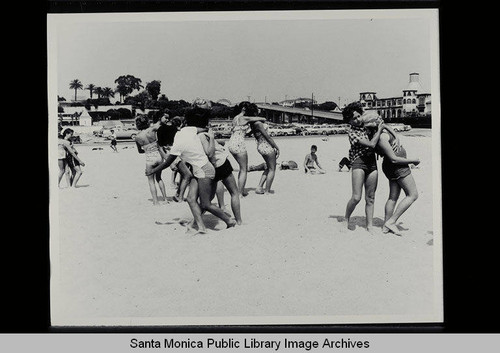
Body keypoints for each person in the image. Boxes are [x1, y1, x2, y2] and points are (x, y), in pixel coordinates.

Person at [147, 100, 236, 233]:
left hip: (205, 170)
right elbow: (202, 129)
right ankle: (201, 227)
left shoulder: (177, 145)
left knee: (206, 204)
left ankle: (229, 221)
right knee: (190, 199)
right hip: (199, 170)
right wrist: (210, 133)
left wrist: (152, 171)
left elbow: (166, 163)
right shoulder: (186, 130)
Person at [341, 102, 387, 234]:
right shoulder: (352, 132)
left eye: (358, 116)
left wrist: (395, 137)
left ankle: (369, 226)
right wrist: (379, 130)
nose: (357, 120)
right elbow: (371, 144)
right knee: (356, 197)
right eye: (353, 118)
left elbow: (384, 125)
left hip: (372, 163)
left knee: (371, 197)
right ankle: (346, 218)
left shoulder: (368, 124)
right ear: (349, 121)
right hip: (358, 162)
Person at [376, 129, 420, 235]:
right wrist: (413, 160)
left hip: (392, 167)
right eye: (377, 119)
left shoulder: (380, 133)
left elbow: (386, 126)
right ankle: (391, 221)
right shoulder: (382, 137)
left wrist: (395, 136)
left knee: (393, 197)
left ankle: (386, 226)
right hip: (398, 167)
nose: (380, 120)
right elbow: (394, 159)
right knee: (413, 195)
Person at [226, 101, 267, 197]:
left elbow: (239, 130)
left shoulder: (235, 118)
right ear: (244, 109)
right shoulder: (244, 118)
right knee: (243, 169)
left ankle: (240, 190)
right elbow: (263, 119)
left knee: (241, 168)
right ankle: (240, 193)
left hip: (231, 143)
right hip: (239, 144)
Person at [135, 115, 168, 205]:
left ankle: (155, 201)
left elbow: (140, 151)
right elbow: (161, 124)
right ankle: (165, 199)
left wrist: (147, 149)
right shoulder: (152, 130)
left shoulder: (137, 137)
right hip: (159, 156)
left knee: (151, 181)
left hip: (149, 158)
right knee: (159, 178)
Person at [249, 118, 280, 194]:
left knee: (268, 168)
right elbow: (268, 137)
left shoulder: (253, 124)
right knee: (272, 170)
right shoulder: (258, 123)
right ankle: (267, 191)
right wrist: (276, 147)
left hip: (260, 146)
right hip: (266, 146)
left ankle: (260, 187)